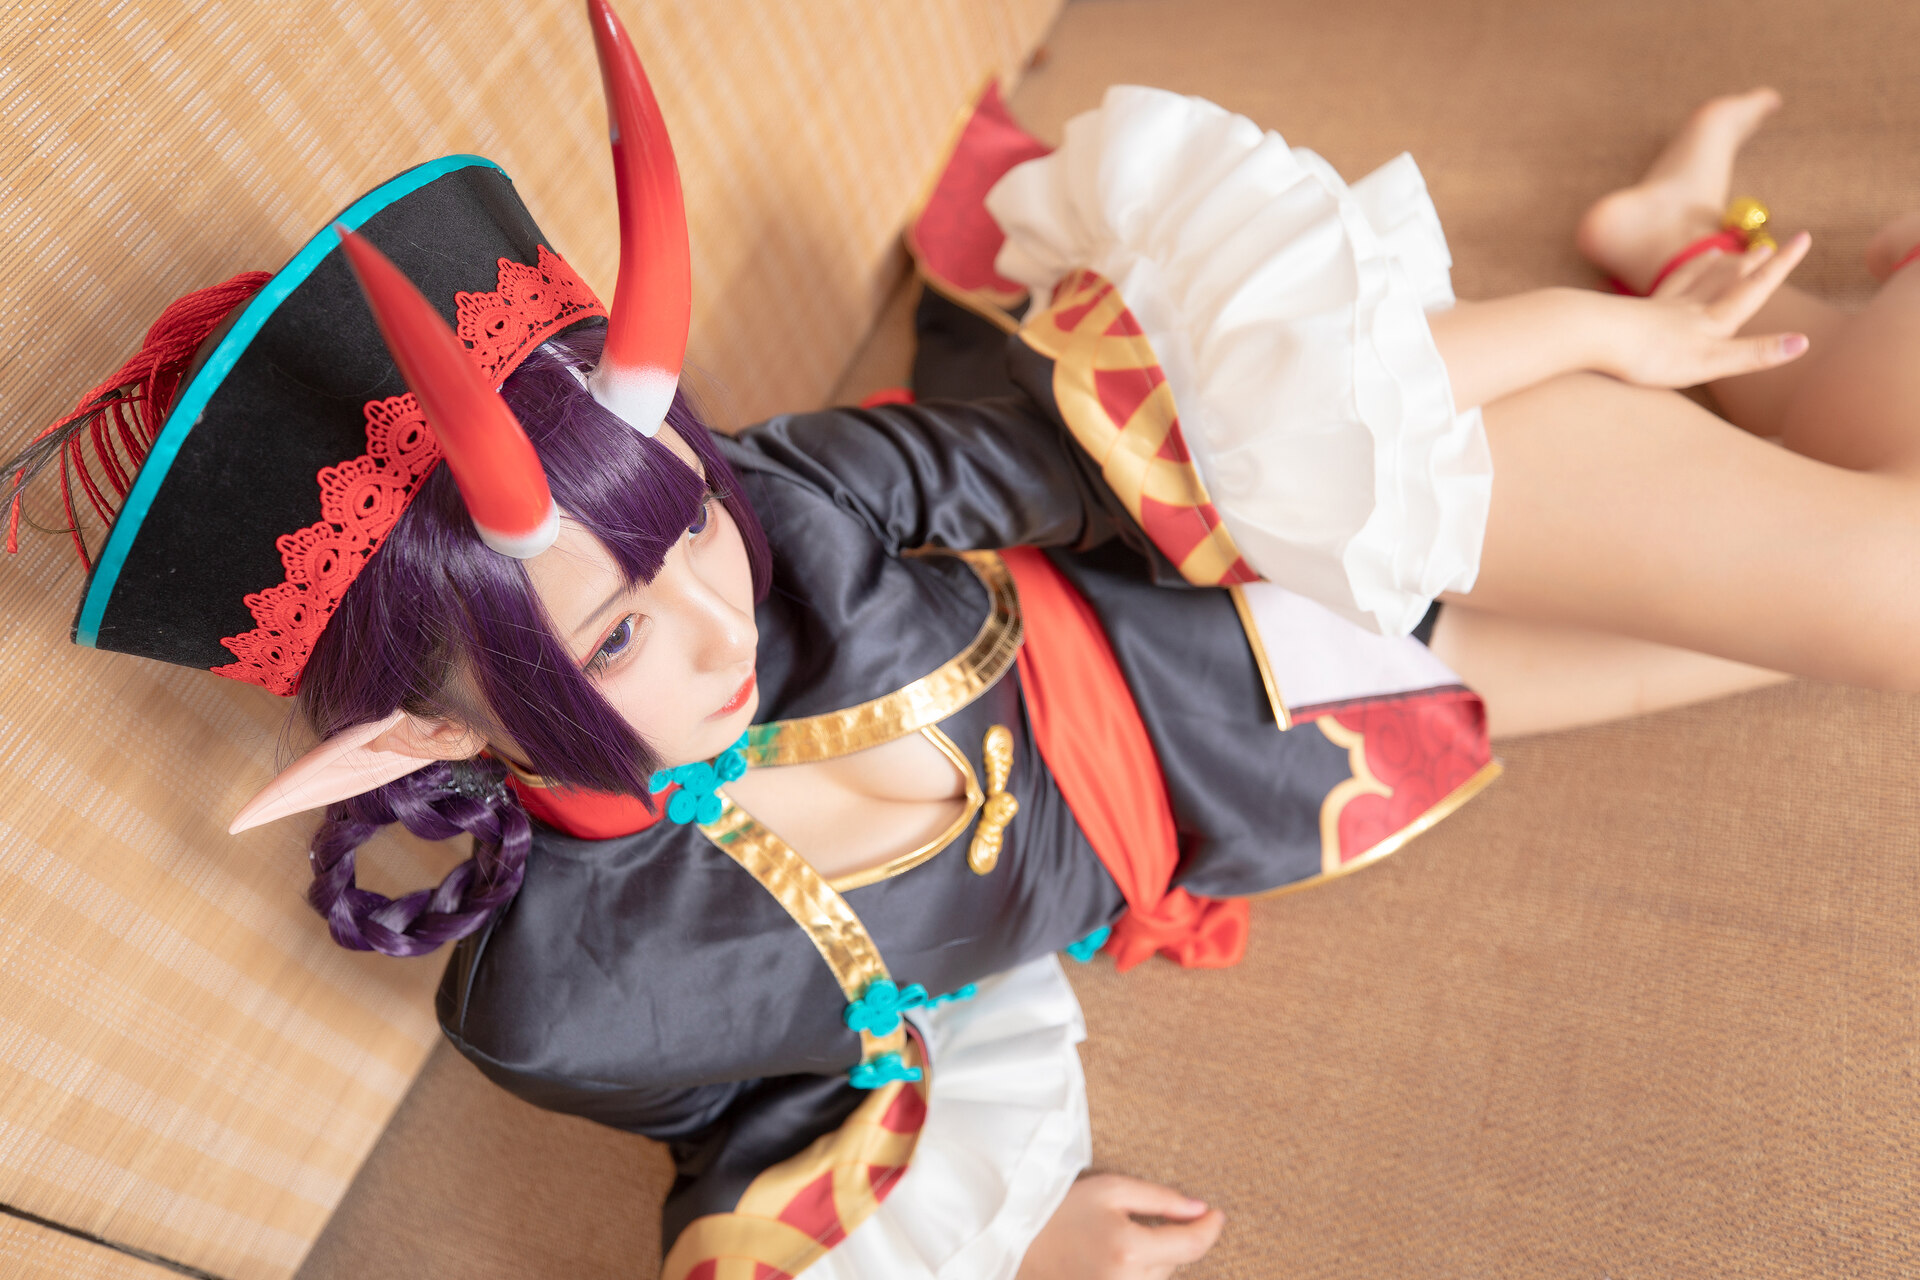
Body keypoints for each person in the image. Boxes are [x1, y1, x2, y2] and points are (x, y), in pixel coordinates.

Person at [7, 3, 1915, 1274]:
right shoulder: (569, 998)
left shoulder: (790, 502)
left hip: (1284, 526)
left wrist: (1573, 341)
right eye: (619, 623)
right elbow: (760, 1148)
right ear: (414, 740)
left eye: (685, 519)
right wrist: (1018, 1241)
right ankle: (1683, 248)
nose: (716, 610)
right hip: (1274, 762)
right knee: (1826, 594)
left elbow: (1164, 443)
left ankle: (1662, 286)